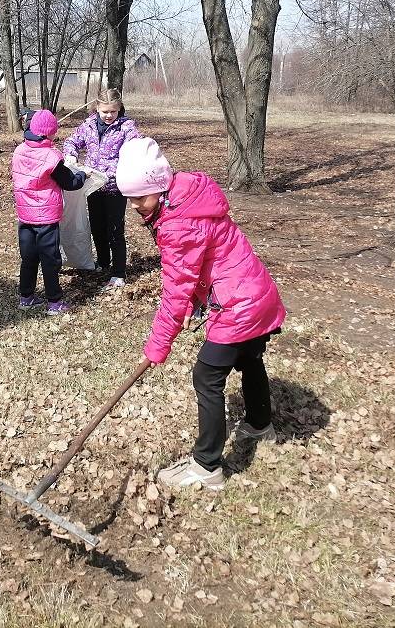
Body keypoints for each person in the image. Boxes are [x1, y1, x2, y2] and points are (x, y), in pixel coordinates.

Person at [115, 137, 286, 491]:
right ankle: (259, 423)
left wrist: (158, 345)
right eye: (129, 198)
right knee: (250, 358)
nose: (133, 206)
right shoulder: (188, 197)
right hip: (256, 293)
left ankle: (206, 466)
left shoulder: (179, 223)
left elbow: (175, 289)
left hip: (238, 305)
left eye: (138, 197)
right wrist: (197, 300)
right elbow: (200, 265)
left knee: (206, 377)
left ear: (159, 188)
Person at [11, 109, 88, 315]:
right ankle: (54, 302)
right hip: (45, 217)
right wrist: (82, 174)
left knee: (28, 257)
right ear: (49, 133)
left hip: (25, 215)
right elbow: (70, 182)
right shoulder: (51, 156)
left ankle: (26, 297)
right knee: (50, 259)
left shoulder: (19, 150)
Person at [62, 89, 141, 288]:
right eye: (104, 111)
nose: (108, 116)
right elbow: (71, 141)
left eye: (112, 112)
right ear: (97, 107)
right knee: (97, 227)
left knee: (115, 229)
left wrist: (119, 169)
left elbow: (135, 149)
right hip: (92, 185)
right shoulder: (88, 125)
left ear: (119, 109)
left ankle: (119, 272)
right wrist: (71, 155)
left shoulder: (126, 126)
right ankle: (104, 263)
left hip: (115, 186)